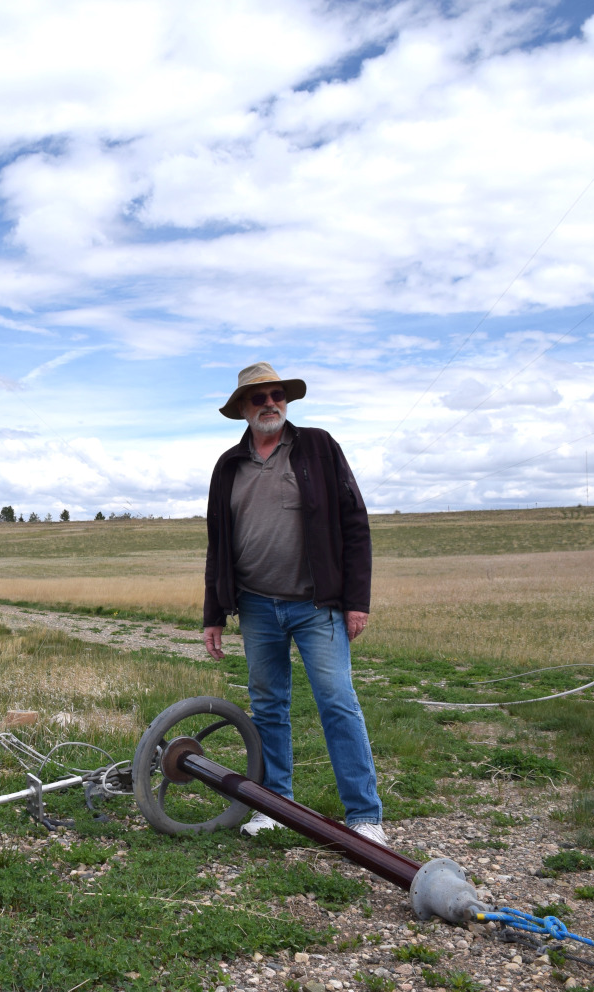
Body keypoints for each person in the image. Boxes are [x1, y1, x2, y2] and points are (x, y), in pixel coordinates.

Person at [201, 361, 387, 845]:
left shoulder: (319, 447)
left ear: (287, 400)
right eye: (259, 398)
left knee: (337, 702)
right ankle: (273, 805)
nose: (270, 404)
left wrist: (356, 601)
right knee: (267, 706)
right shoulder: (228, 466)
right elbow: (218, 543)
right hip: (257, 607)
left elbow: (355, 524)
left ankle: (364, 816)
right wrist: (213, 614)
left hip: (317, 605)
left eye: (278, 395)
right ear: (242, 408)